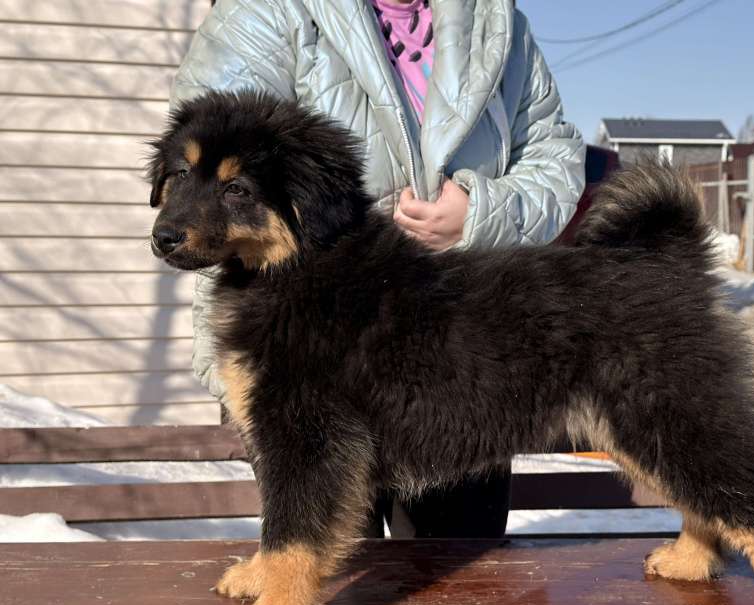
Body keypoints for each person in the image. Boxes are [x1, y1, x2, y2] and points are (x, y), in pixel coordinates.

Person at [172, 0, 586, 538]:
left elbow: (553, 153)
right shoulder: (267, 9)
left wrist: (481, 214)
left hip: (457, 350)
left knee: (459, 578)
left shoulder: (495, 18)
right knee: (330, 576)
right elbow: (205, 171)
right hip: (298, 344)